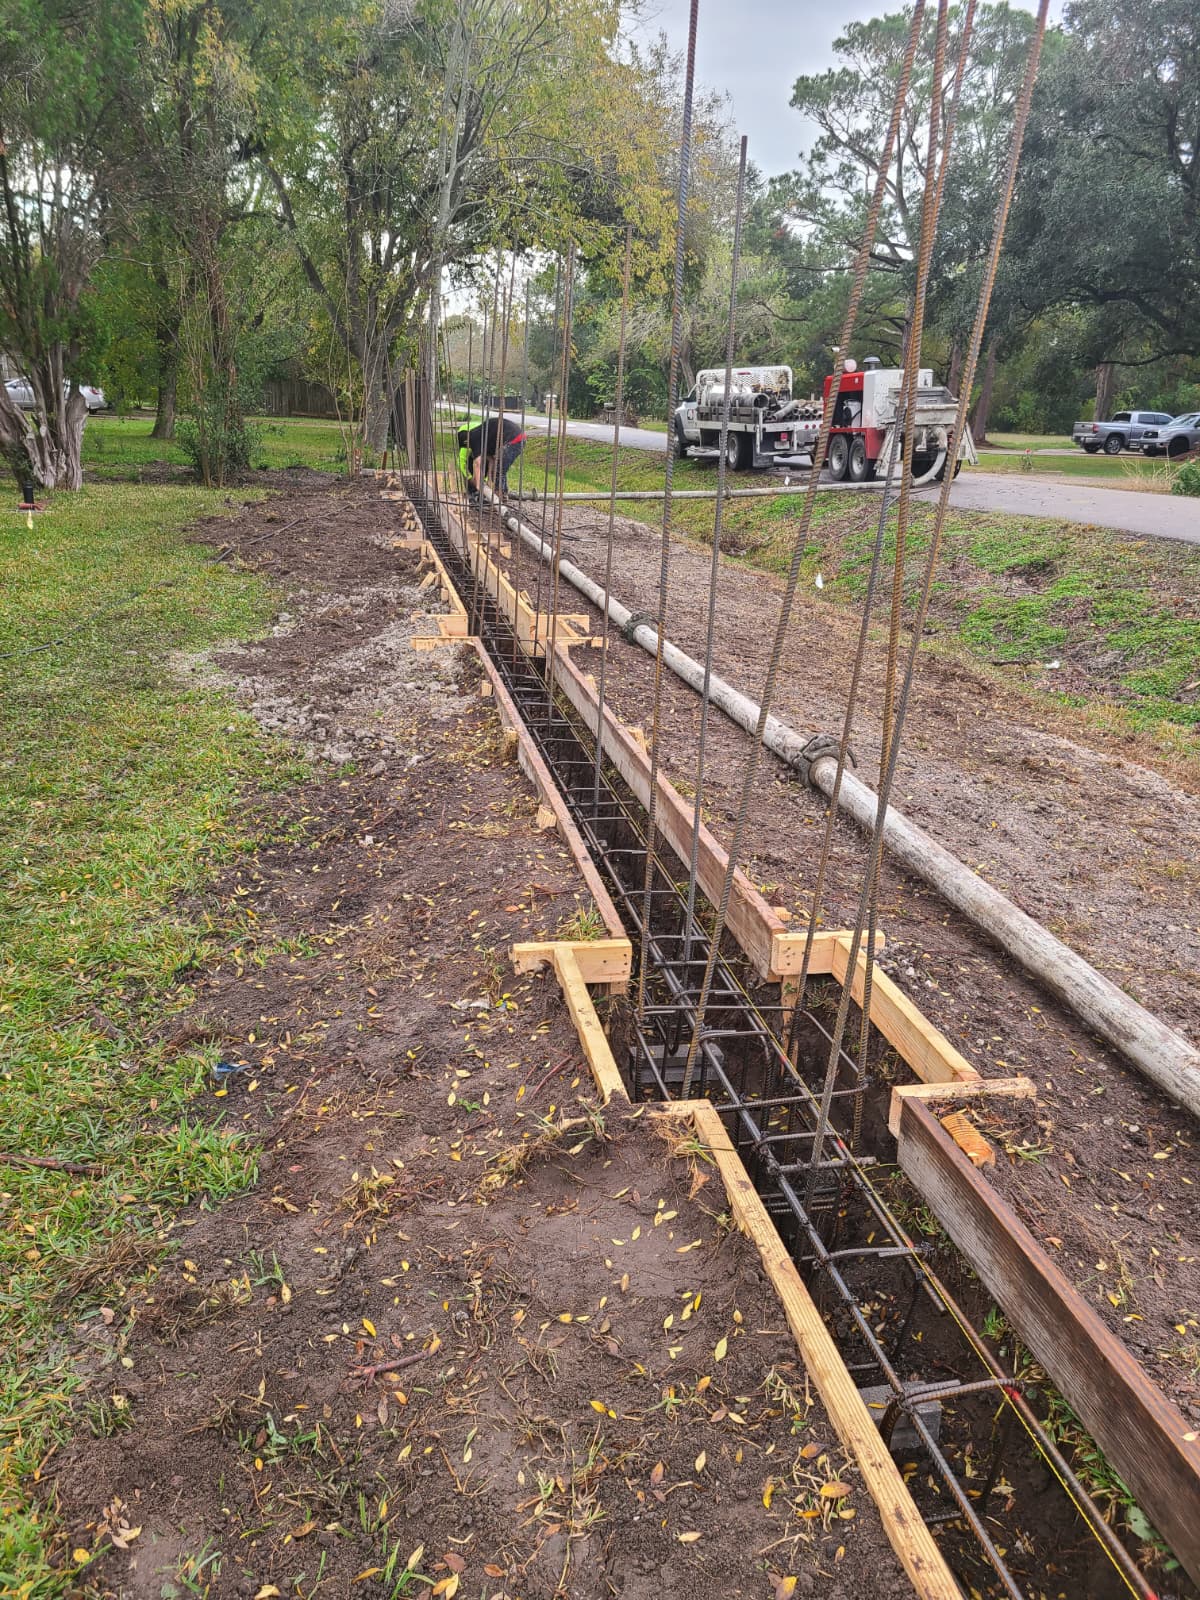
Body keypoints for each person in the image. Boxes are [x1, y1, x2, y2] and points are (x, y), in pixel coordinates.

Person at [463, 412, 526, 498]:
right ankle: (503, 494)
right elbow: (491, 460)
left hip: (514, 439)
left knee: (499, 471)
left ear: (466, 441)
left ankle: (498, 500)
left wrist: (478, 485)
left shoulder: (474, 437)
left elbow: (477, 463)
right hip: (517, 437)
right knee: (499, 469)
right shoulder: (485, 440)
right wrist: (489, 479)